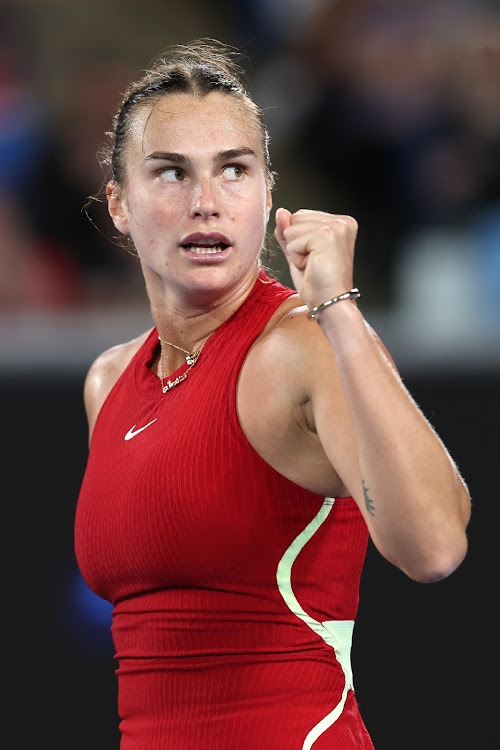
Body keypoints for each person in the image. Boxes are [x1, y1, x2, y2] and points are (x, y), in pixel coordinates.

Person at [74, 40, 471, 750]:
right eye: (171, 172)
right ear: (120, 205)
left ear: (266, 192)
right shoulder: (109, 382)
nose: (206, 202)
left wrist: (341, 311)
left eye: (234, 170)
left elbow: (435, 546)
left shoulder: (300, 346)